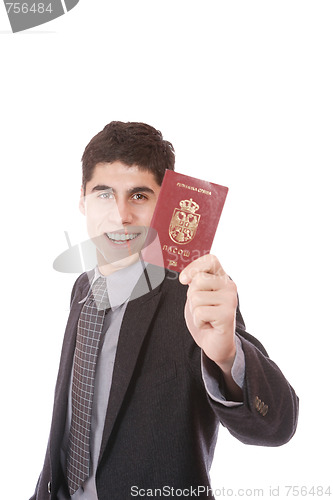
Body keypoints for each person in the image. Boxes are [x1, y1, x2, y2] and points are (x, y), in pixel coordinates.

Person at [30, 121, 299, 500]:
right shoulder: (82, 287)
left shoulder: (194, 294)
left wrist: (227, 356)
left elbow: (278, 425)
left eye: (139, 196)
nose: (121, 216)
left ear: (164, 204)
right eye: (104, 194)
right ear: (82, 199)